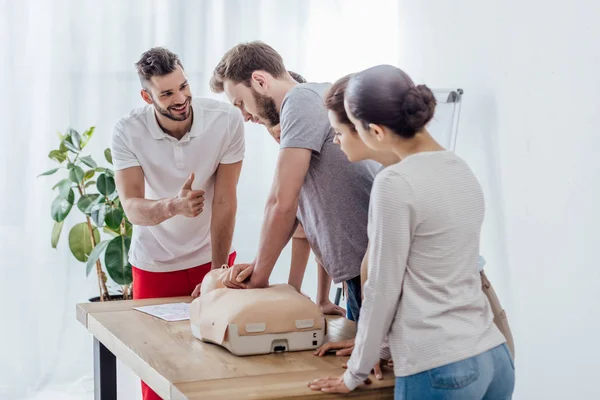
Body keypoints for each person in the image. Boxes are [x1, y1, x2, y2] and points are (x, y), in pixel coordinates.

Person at [309, 65, 515, 399]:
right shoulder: (459, 167)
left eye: (351, 129)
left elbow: (382, 288)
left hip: (442, 369)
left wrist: (354, 373)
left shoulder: (395, 183)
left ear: (375, 131)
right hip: (493, 356)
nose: (340, 139)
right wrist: (382, 348)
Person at [209, 41, 380, 321]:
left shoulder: (298, 100)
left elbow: (280, 201)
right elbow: (294, 211)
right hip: (364, 271)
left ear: (260, 80)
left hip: (373, 273)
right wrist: (257, 266)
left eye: (240, 102)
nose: (245, 115)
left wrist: (258, 278)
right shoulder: (317, 94)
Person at [111, 47, 244, 400]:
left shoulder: (225, 120)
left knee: (220, 366)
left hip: (211, 258)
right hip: (155, 264)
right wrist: (174, 206)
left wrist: (217, 273)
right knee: (156, 366)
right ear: (146, 95)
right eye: (167, 93)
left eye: (183, 86)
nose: (181, 98)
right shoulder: (127, 130)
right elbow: (132, 206)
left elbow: (225, 200)